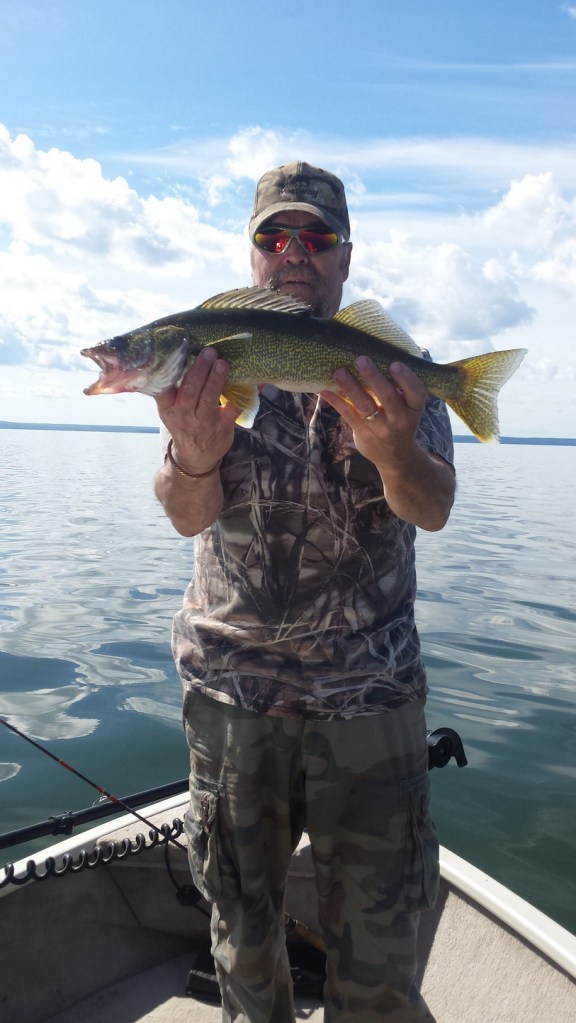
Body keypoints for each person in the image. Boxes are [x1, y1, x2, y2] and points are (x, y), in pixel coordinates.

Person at [154, 161, 456, 1022]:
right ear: (252, 255)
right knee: (244, 947)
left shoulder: (398, 372)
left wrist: (394, 446)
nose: (295, 252)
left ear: (345, 257)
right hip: (233, 700)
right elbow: (184, 514)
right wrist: (193, 451)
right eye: (274, 236)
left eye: (316, 237)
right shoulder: (210, 363)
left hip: (372, 704)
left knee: (380, 962)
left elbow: (431, 507)